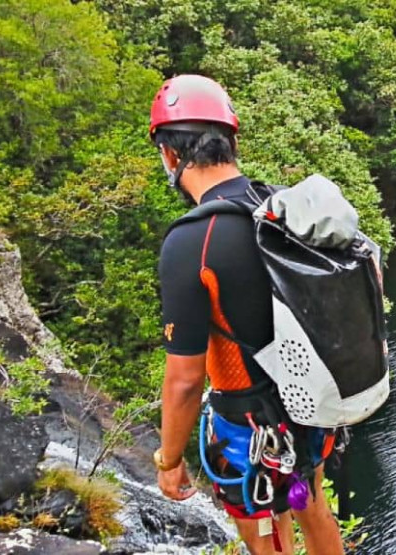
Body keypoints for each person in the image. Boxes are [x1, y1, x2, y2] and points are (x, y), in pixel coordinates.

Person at [149, 74, 345, 555]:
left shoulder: (191, 242)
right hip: (312, 402)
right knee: (312, 503)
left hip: (247, 425)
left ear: (171, 156)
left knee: (264, 533)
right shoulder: (283, 207)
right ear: (229, 142)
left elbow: (185, 380)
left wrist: (169, 458)